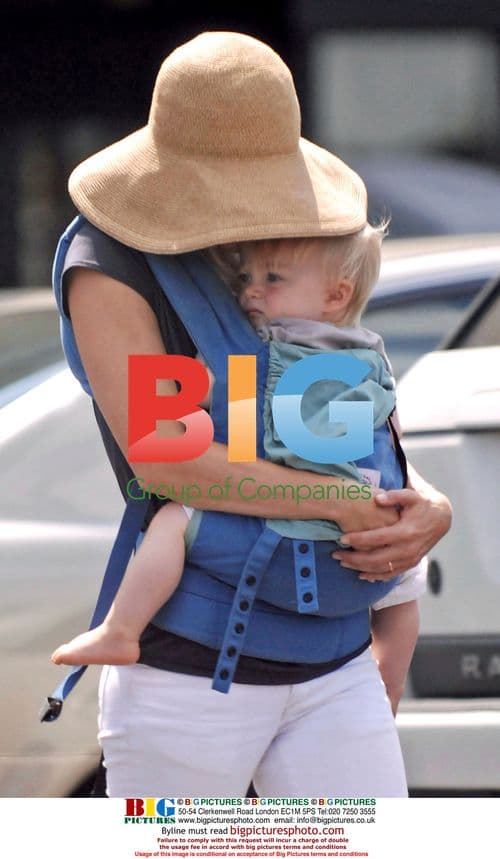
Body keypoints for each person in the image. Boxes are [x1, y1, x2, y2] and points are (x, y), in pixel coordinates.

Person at [51, 31, 452, 797]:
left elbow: (329, 423)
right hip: (191, 675)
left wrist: (423, 501)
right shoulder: (113, 263)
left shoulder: (301, 250)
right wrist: (341, 501)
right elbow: (168, 459)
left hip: (335, 664)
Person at [51, 226, 425, 717]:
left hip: (290, 538)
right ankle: (391, 683)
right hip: (363, 528)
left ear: (337, 294)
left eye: (271, 278)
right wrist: (401, 500)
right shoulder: (365, 351)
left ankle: (120, 628)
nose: (251, 289)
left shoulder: (262, 350)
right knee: (404, 581)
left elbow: (184, 424)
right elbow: (387, 442)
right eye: (246, 276)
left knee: (173, 520)